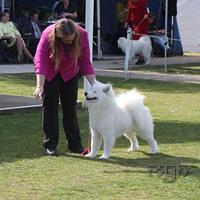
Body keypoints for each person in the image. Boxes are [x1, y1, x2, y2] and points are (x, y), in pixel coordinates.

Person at [34, 18, 96, 156]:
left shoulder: (82, 34)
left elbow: (85, 62)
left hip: (70, 73)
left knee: (70, 108)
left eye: (71, 40)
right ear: (59, 36)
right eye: (66, 40)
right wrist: (40, 86)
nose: (70, 42)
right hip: (51, 73)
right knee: (50, 108)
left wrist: (95, 84)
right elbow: (41, 61)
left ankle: (75, 145)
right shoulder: (47, 35)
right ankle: (50, 145)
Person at [124, 0, 150, 64]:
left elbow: (147, 11)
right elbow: (129, 13)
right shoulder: (130, 2)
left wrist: (146, 15)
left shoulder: (143, 2)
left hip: (142, 23)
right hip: (134, 24)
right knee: (135, 40)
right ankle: (137, 57)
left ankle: (142, 58)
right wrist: (127, 22)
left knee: (141, 41)